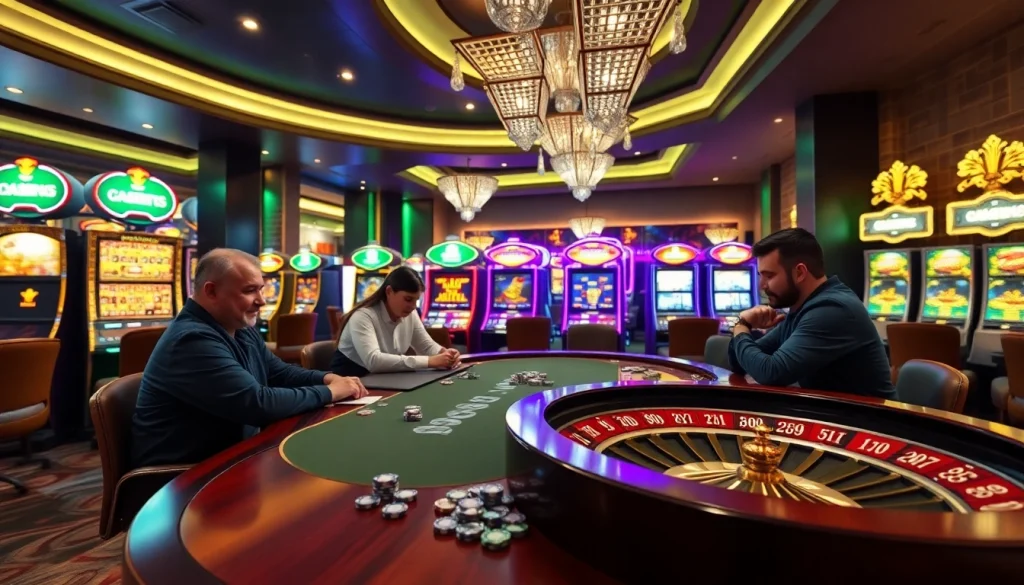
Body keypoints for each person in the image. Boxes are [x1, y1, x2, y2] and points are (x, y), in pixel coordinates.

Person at [131, 249, 367, 467]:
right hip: (184, 478)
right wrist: (331, 392)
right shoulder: (191, 340)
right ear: (211, 291)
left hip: (232, 457)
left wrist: (327, 377)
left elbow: (279, 373)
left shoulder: (239, 328)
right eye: (249, 290)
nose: (262, 300)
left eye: (261, 289)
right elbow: (257, 404)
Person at [728, 228, 894, 397]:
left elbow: (771, 373)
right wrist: (743, 326)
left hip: (869, 419)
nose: (761, 285)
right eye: (760, 276)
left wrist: (741, 325)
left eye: (769, 276)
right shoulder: (802, 309)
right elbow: (740, 363)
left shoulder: (832, 309)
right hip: (836, 416)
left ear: (800, 273)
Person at [331, 265, 461, 376]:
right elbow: (374, 361)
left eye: (416, 300)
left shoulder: (410, 313)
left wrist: (446, 354)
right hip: (351, 384)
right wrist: (431, 361)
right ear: (389, 292)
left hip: (384, 380)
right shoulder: (363, 316)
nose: (413, 306)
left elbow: (426, 346)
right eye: (408, 299)